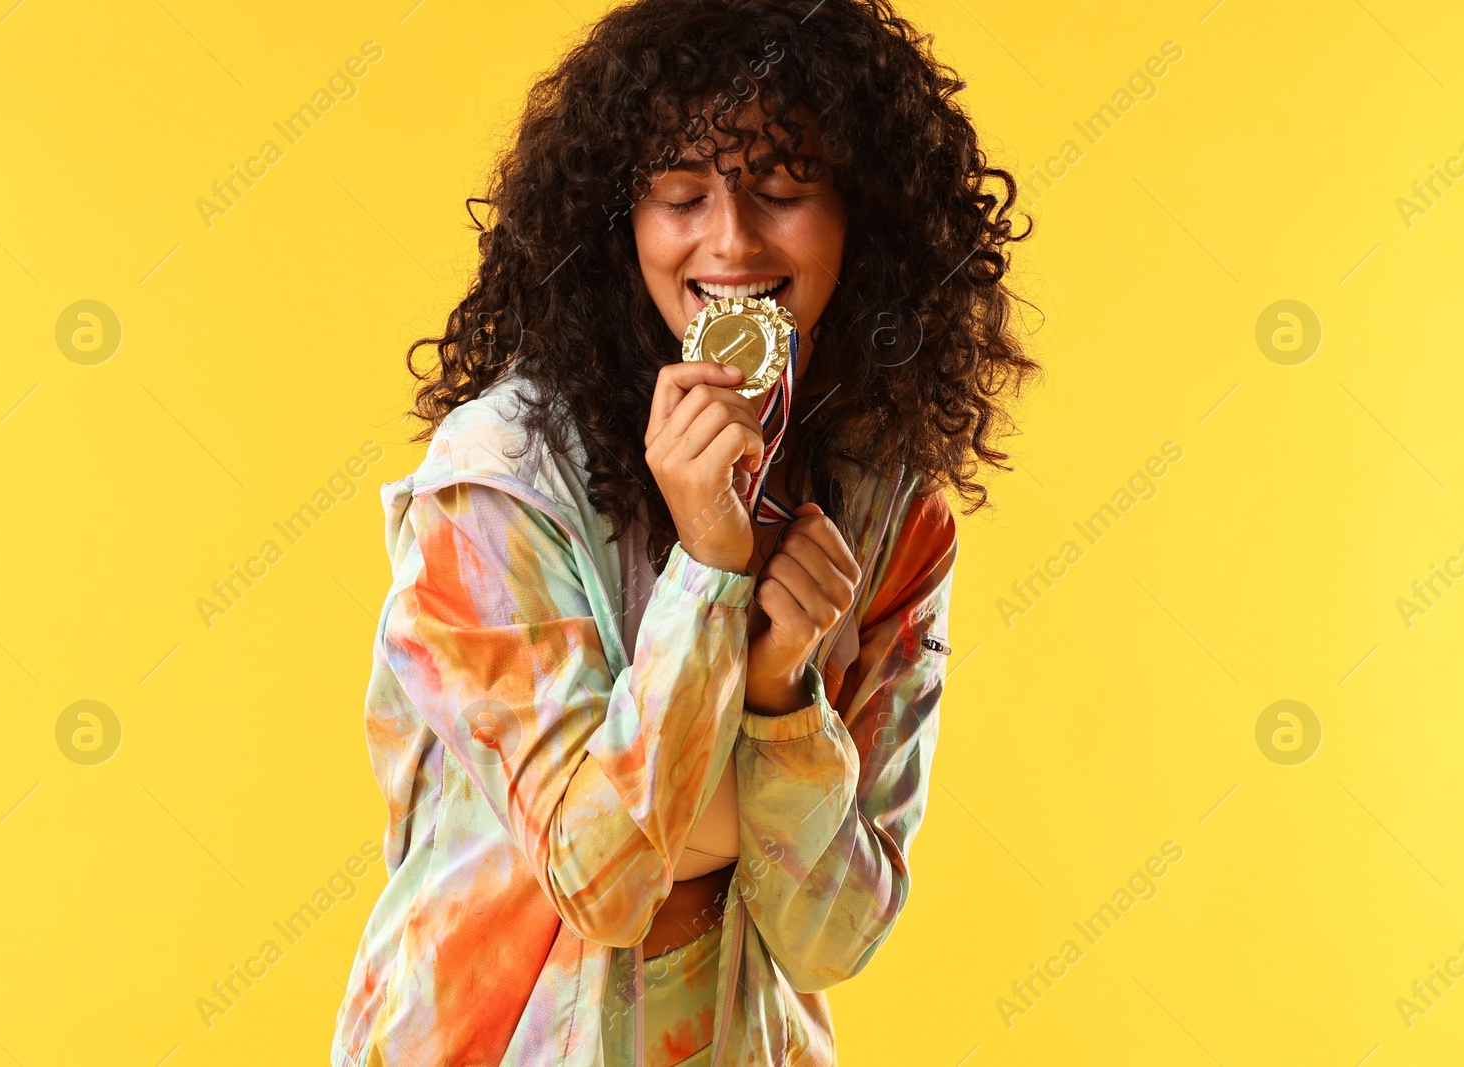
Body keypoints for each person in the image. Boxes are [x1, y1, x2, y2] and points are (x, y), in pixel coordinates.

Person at [330, 1, 1039, 1064]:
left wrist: (780, 696)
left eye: (785, 190)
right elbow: (603, 881)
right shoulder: (498, 488)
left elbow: (831, 934)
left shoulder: (890, 510)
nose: (732, 239)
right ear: (621, 221)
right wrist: (707, 570)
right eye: (680, 194)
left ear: (863, 214)